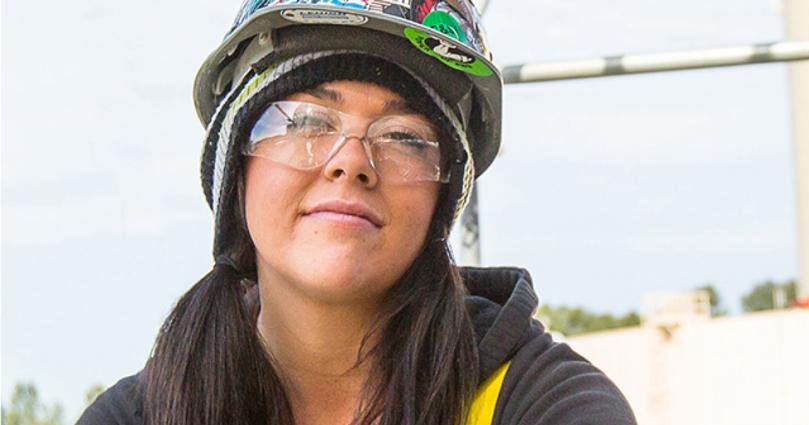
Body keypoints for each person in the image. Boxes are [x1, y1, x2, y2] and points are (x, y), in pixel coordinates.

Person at [77, 1, 637, 424]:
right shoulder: (140, 415)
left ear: (443, 201)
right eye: (303, 121)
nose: (352, 163)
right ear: (235, 165)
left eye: (404, 137)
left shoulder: (544, 405)